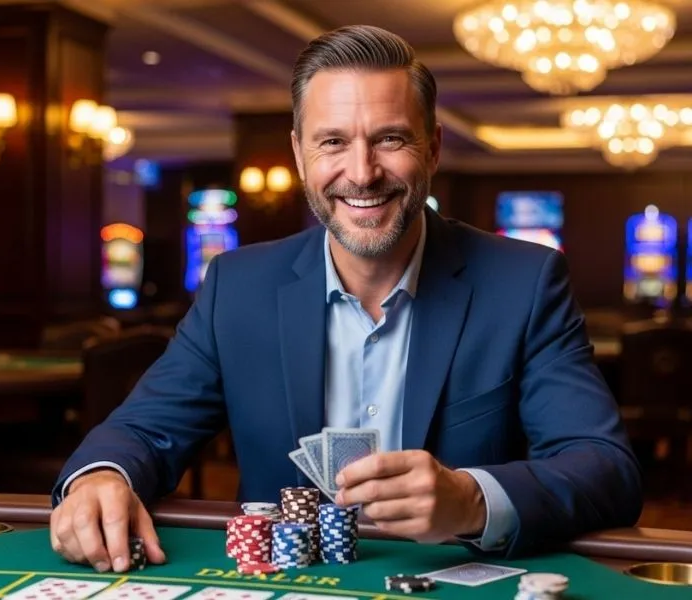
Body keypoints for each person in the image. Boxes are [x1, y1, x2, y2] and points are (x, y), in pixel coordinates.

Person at [49, 24, 642, 574]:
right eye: (332, 141)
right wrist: (101, 476)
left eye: (390, 139)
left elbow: (604, 468)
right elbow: (147, 428)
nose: (362, 173)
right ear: (300, 153)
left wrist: (470, 499)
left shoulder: (525, 280)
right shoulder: (238, 285)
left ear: (433, 149)